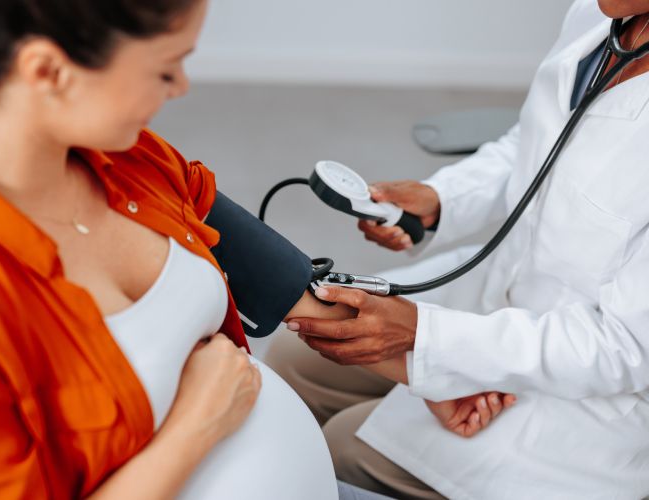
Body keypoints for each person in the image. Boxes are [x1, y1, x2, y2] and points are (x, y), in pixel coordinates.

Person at [0, 1, 408, 498]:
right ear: (48, 71)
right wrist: (199, 422)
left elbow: (271, 273)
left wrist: (429, 370)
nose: (181, 86)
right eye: (164, 68)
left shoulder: (126, 157)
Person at [267, 0, 649, 498]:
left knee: (342, 450)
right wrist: (442, 199)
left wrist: (427, 337)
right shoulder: (599, 18)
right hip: (502, 289)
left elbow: (625, 347)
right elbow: (541, 139)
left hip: (595, 392)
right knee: (294, 360)